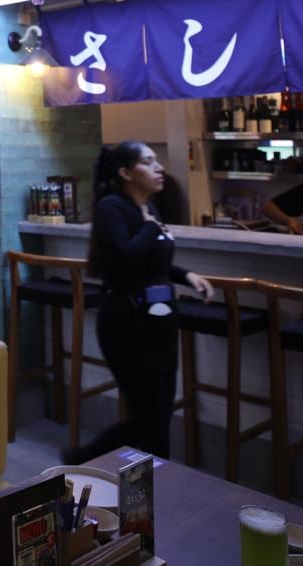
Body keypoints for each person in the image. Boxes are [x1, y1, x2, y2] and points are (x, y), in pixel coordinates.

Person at [64, 142, 212, 464]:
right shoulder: (112, 209)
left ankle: (158, 482)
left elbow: (152, 261)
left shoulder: (148, 207)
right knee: (148, 417)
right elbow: (123, 261)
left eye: (157, 161)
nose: (159, 167)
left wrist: (187, 275)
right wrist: (147, 226)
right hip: (126, 323)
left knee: (160, 412)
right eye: (148, 162)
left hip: (159, 321)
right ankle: (83, 458)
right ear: (126, 172)